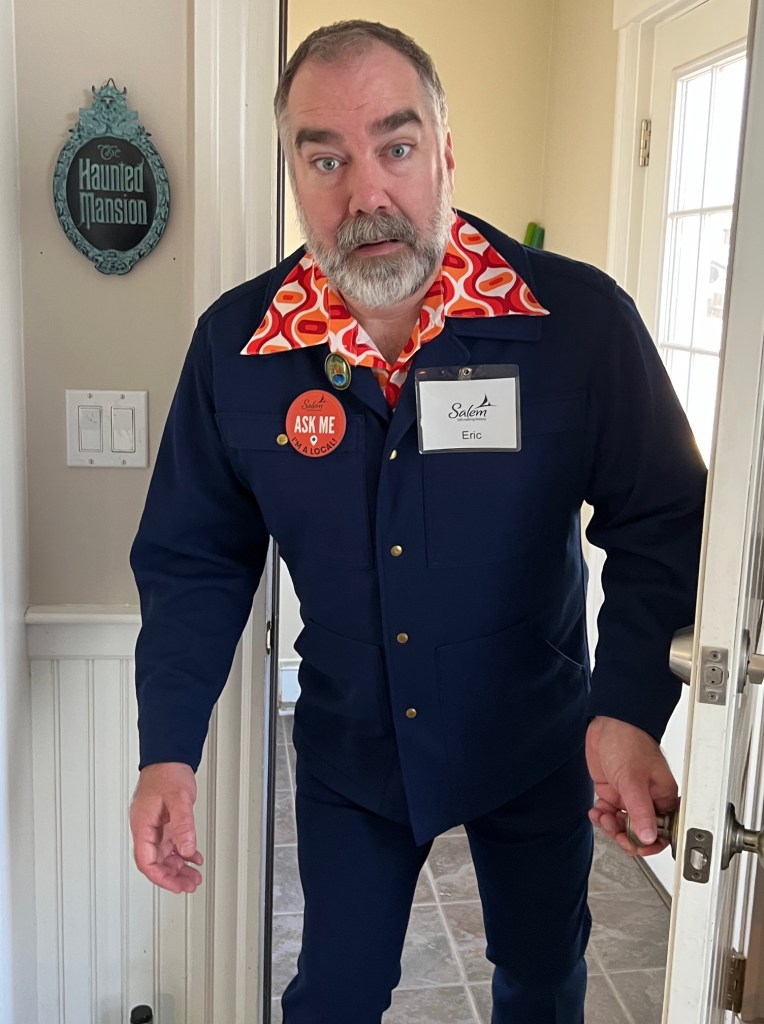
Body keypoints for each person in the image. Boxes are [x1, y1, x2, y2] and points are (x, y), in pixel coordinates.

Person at [128, 19, 706, 1024]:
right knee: (334, 995)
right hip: (353, 749)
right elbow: (195, 557)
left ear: (444, 151)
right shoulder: (237, 349)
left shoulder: (577, 325)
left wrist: (626, 706)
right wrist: (167, 747)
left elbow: (662, 515)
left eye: (395, 147)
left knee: (541, 980)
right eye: (326, 159)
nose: (366, 195)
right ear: (293, 174)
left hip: (535, 737)